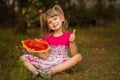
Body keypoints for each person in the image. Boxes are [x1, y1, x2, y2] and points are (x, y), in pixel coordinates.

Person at [20, 5, 82, 80]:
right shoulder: (47, 37)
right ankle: (36, 73)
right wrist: (36, 51)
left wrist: (73, 42)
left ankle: (50, 72)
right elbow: (45, 56)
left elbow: (74, 54)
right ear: (48, 26)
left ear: (62, 18)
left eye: (55, 19)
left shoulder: (68, 35)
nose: (53, 23)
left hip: (62, 63)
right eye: (50, 22)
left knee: (78, 57)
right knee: (22, 58)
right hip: (48, 61)